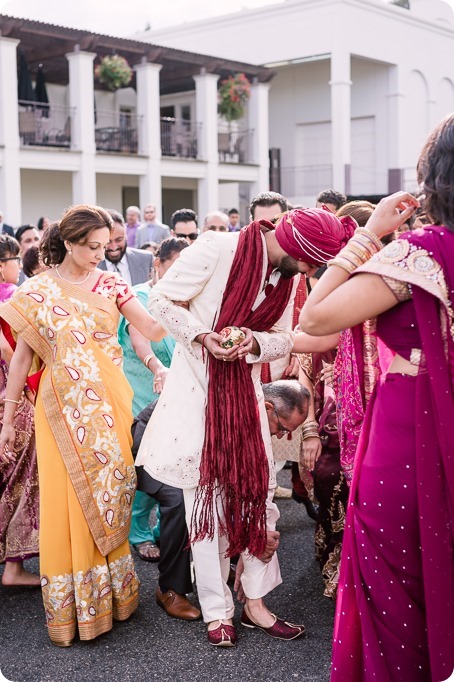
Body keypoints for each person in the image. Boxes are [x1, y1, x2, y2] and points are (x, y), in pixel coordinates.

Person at [136, 206, 355, 646]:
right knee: (208, 510)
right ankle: (218, 612)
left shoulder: (287, 276)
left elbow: (283, 337)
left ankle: (255, 603)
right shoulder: (217, 248)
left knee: (259, 500)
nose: (311, 271)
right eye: (311, 262)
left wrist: (255, 342)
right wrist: (203, 337)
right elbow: (160, 300)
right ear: (295, 248)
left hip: (248, 398)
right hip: (198, 400)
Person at [300, 114, 454, 682]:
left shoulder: (420, 254)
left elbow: (316, 317)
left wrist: (365, 237)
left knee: (398, 578)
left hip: (410, 437)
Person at [0, 205, 166, 646]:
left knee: (113, 488)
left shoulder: (112, 283)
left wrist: (182, 302)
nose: (101, 253)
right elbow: (20, 358)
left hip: (109, 407)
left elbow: (148, 325)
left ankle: (114, 598)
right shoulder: (36, 291)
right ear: (69, 243)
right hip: (57, 408)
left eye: (105, 245)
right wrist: (8, 416)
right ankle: (74, 607)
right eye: (91, 247)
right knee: (65, 500)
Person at [0, 235, 39, 587]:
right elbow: (11, 353)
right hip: (9, 393)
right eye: (14, 260)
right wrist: (27, 390)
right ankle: (12, 567)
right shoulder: (10, 299)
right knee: (21, 474)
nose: (18, 266)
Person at [99, 210, 153, 285]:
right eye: (108, 242)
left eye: (119, 240)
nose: (114, 247)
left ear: (126, 236)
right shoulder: (91, 266)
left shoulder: (146, 259)